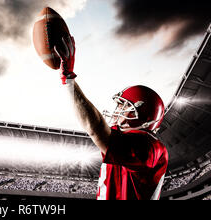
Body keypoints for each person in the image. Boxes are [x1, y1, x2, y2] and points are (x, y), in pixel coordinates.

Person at [54, 36, 168, 200]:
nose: (117, 110)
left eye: (123, 106)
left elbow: (96, 130)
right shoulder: (124, 142)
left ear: (142, 113)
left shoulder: (151, 147)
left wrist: (68, 79)